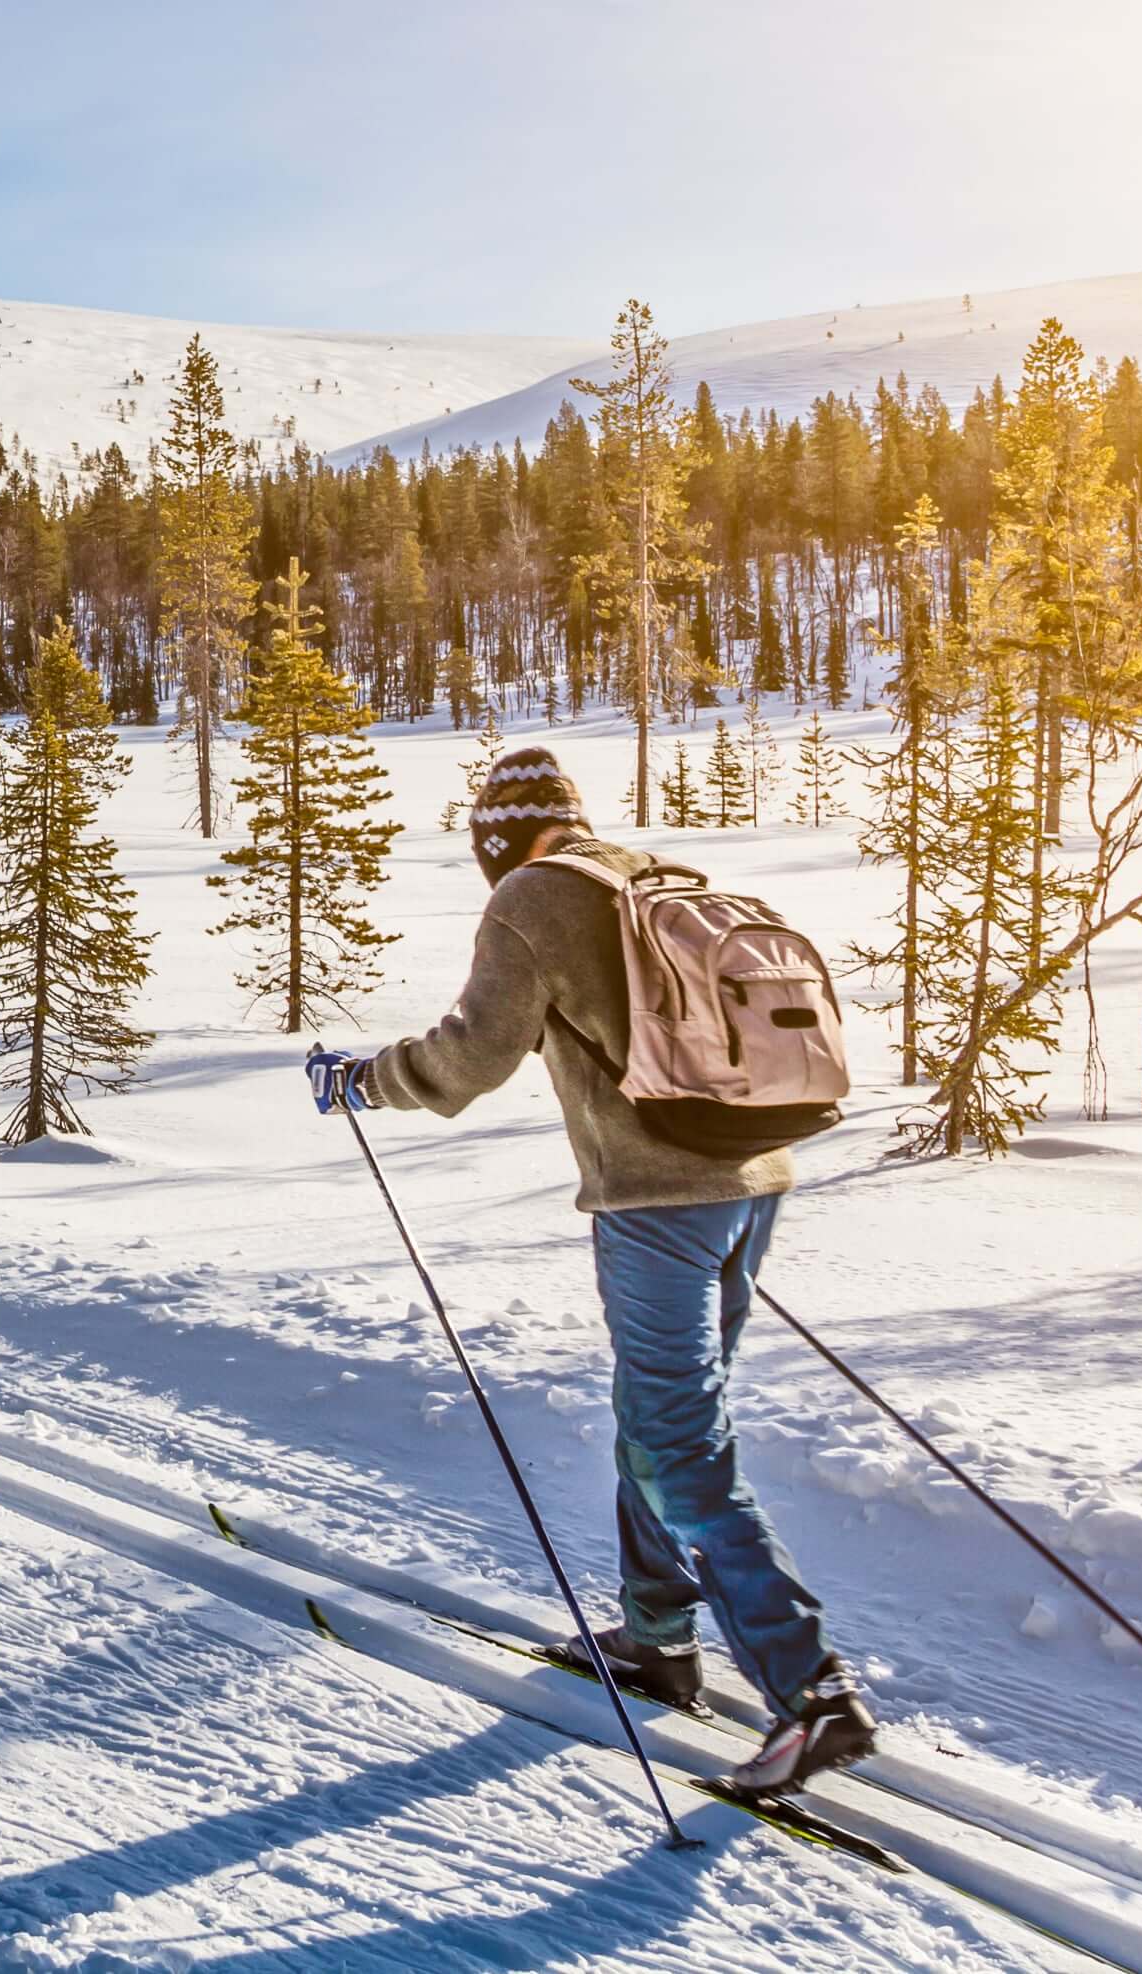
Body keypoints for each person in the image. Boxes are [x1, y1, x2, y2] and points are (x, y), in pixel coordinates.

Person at [305, 743, 874, 1796]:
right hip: (751, 1184)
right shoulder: (648, 874)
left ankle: (811, 1694)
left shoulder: (533, 896)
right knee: (656, 1419)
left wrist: (361, 1082)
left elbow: (469, 1059)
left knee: (676, 1439)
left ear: (494, 839)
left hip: (660, 1204)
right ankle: (657, 1637)